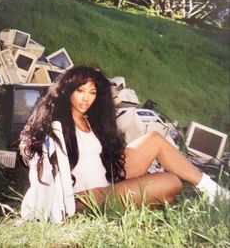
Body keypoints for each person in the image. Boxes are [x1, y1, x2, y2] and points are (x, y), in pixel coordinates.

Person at [19, 65, 229, 222]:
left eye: (92, 93)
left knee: (154, 140)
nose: (86, 98)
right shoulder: (55, 124)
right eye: (80, 91)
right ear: (68, 91)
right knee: (171, 183)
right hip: (85, 198)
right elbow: (40, 165)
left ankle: (214, 191)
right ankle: (136, 205)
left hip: (106, 184)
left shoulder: (91, 119)